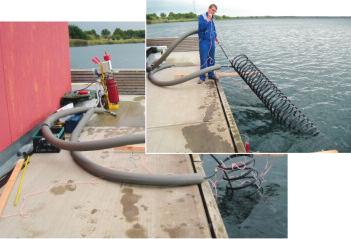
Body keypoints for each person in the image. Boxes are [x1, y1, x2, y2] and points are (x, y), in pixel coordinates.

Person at [197, 3, 219, 84]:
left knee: (212, 58)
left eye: (215, 11)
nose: (213, 12)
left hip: (211, 41)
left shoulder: (212, 18)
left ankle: (211, 74)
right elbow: (201, 28)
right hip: (204, 41)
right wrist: (208, 19)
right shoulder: (201, 17)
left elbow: (213, 28)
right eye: (213, 10)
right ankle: (202, 77)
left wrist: (215, 36)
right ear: (209, 9)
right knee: (203, 59)